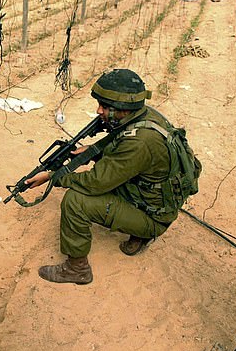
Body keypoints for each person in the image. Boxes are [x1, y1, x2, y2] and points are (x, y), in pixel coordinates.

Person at [25, 69, 182, 285]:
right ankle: (139, 232)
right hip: (154, 199)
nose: (99, 111)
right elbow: (121, 142)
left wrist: (53, 177)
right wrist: (95, 150)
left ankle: (76, 269)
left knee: (75, 201)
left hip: (153, 215)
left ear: (125, 109)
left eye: (106, 107)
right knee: (105, 168)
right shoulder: (145, 116)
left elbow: (94, 184)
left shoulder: (141, 142)